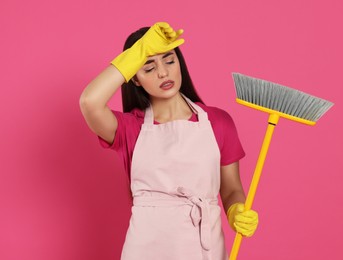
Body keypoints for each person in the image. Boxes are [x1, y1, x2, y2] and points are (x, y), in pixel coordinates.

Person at [79, 22, 258, 260]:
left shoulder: (219, 123)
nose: (163, 73)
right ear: (135, 78)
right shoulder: (129, 128)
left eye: (169, 60)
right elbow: (89, 102)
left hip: (204, 247)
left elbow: (231, 189)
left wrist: (237, 211)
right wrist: (137, 53)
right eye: (149, 67)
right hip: (146, 249)